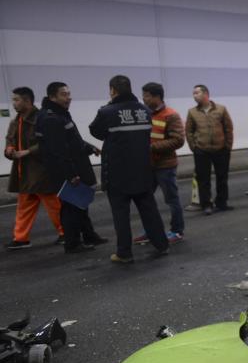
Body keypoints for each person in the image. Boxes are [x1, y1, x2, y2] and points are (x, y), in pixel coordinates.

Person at [88, 75, 169, 263]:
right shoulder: (144, 110)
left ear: (112, 90)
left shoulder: (107, 112)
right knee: (150, 211)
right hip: (142, 170)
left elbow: (95, 131)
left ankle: (124, 253)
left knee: (121, 215)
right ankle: (161, 244)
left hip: (118, 174)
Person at [35, 82, 108, 253]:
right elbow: (58, 150)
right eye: (64, 94)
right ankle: (73, 243)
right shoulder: (50, 118)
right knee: (70, 208)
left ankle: (89, 236)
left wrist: (89, 147)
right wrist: (71, 174)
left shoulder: (60, 114)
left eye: (69, 93)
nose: (69, 97)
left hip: (74, 166)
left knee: (80, 204)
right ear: (53, 97)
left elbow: (71, 140)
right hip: (66, 171)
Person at [4, 86, 65, 250]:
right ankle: (21, 238)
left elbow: (49, 142)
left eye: (16, 100)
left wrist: (28, 152)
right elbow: (9, 139)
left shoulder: (42, 119)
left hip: (41, 172)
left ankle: (66, 232)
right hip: (24, 173)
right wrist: (8, 150)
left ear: (27, 101)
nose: (14, 104)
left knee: (54, 205)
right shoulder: (15, 122)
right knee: (24, 207)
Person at [139, 82, 185, 244]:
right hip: (148, 166)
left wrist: (151, 148)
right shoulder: (143, 114)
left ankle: (177, 231)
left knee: (171, 199)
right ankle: (151, 230)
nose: (143, 98)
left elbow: (178, 140)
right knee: (146, 200)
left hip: (165, 166)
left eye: (146, 95)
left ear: (157, 96)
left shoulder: (170, 115)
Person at [186, 84, 234, 215]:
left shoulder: (221, 109)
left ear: (206, 94)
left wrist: (228, 146)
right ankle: (206, 204)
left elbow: (228, 128)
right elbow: (189, 131)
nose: (194, 96)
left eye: (197, 93)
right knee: (203, 179)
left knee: (222, 177)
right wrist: (194, 147)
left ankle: (222, 202)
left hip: (221, 149)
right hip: (202, 150)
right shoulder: (192, 112)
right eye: (193, 93)